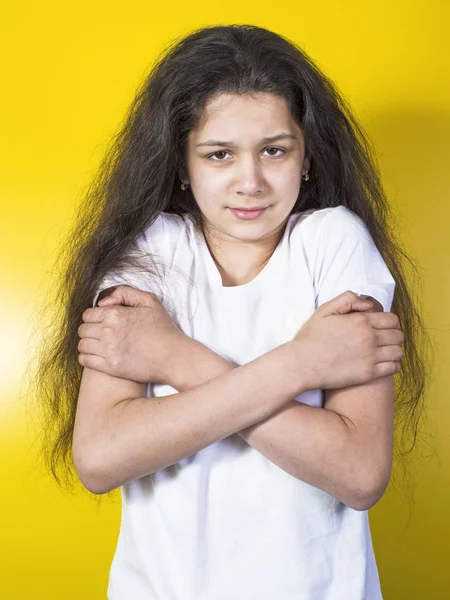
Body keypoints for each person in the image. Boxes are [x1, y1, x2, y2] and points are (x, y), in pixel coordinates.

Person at [33, 24, 432, 600]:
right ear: (180, 166)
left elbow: (360, 473)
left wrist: (172, 357)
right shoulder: (151, 249)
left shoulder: (335, 242)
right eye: (219, 154)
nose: (251, 182)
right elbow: (100, 458)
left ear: (307, 158)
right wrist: (301, 364)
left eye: (274, 150)